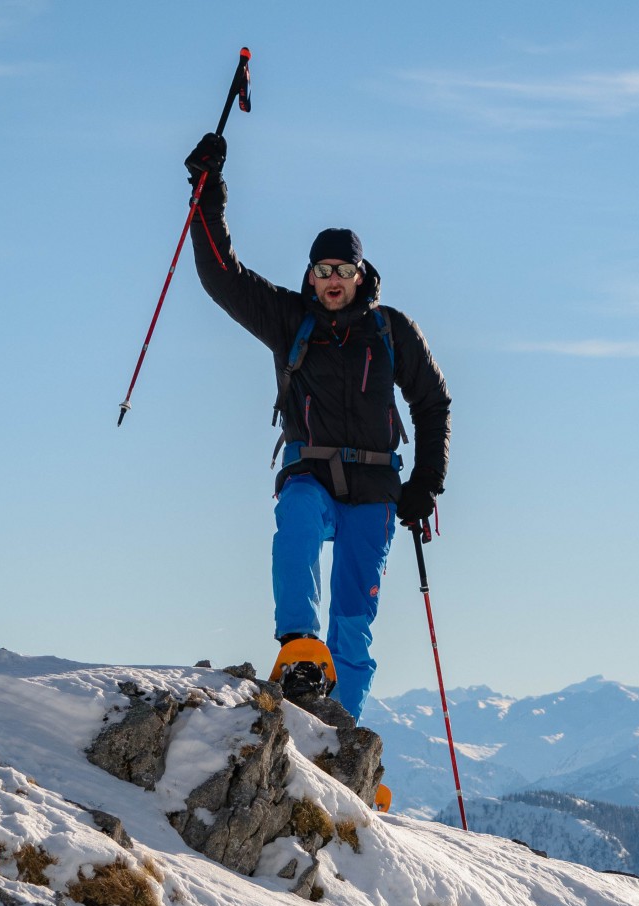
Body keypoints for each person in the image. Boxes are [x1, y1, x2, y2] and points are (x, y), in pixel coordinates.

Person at [184, 131, 451, 723]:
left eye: (343, 269)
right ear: (310, 276)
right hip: (311, 469)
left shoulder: (391, 331)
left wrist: (425, 484)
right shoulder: (290, 320)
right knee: (298, 516)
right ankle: (300, 649)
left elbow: (434, 403)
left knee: (353, 630)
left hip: (378, 490)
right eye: (322, 269)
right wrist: (208, 194)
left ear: (361, 274)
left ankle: (340, 737)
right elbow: (222, 276)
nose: (332, 278)